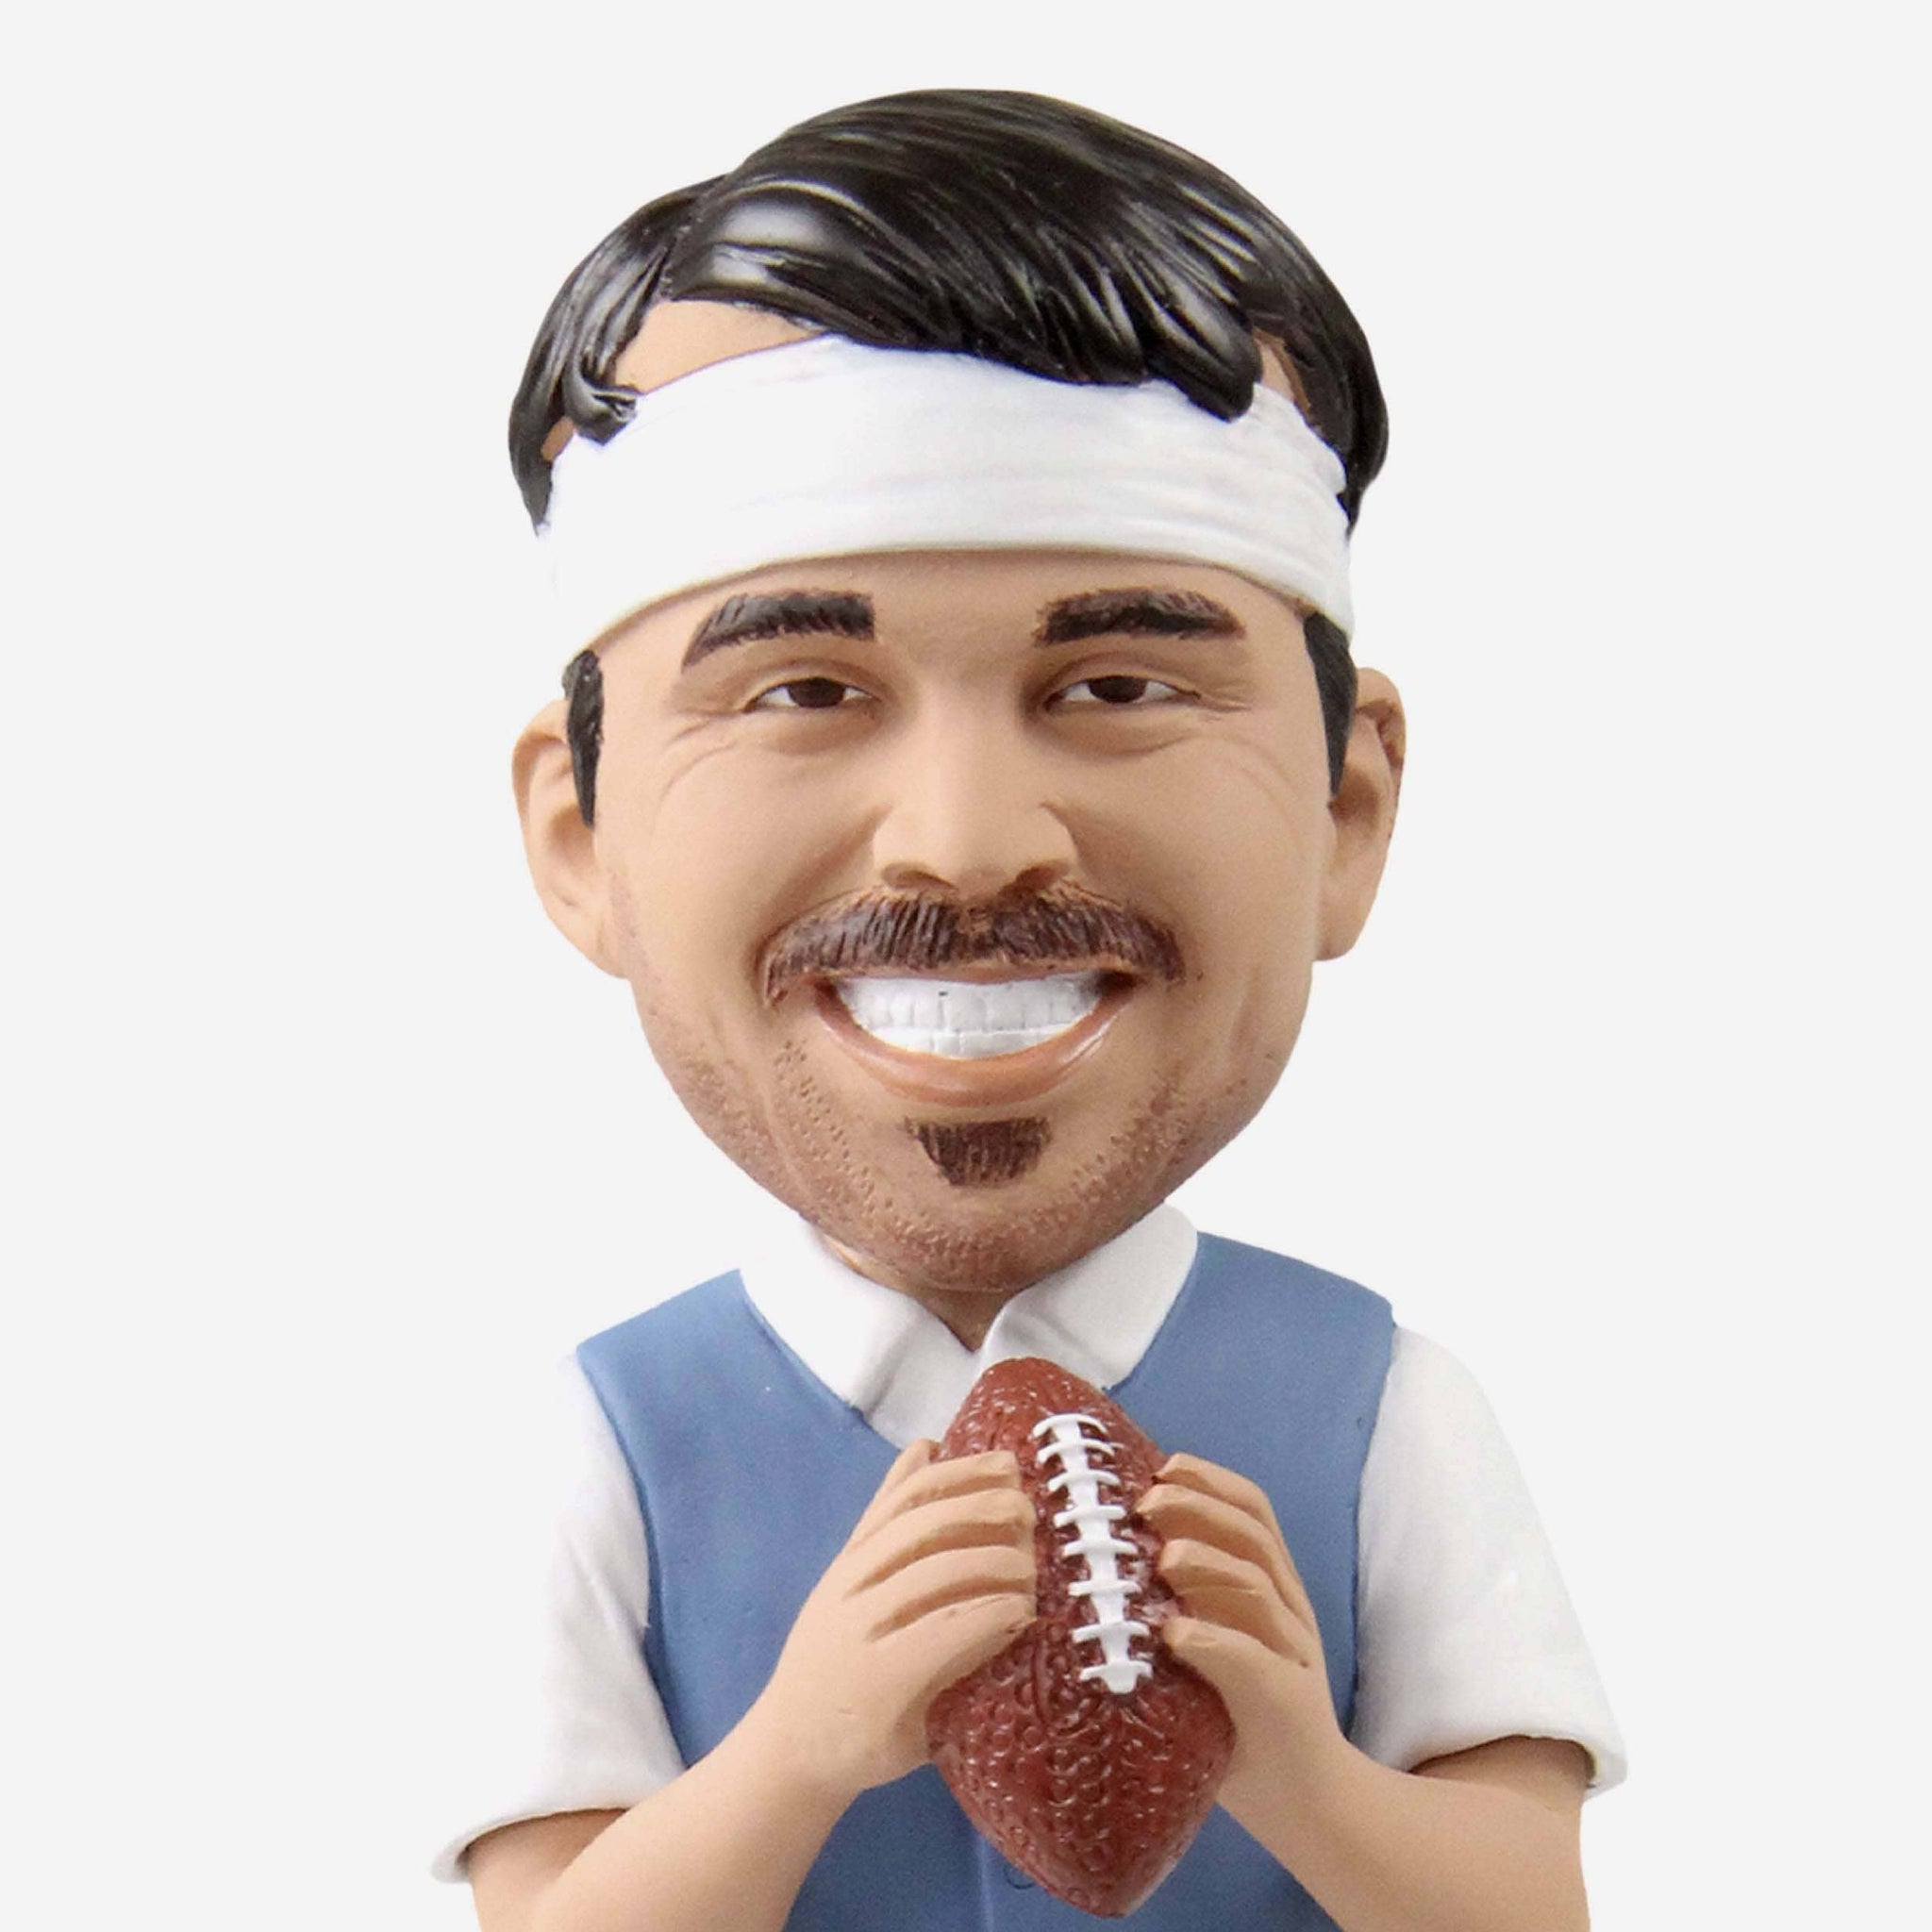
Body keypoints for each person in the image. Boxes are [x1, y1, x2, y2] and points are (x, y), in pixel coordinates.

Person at [440, 89, 1624, 1932]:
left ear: (1343, 811)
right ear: (581, 837)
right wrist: (797, 1750)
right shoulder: (614, 1441)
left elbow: (1528, 1910)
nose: (970, 839)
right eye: (802, 690)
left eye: (1120, 684)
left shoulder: (1376, 1405)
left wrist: (1293, 1764)